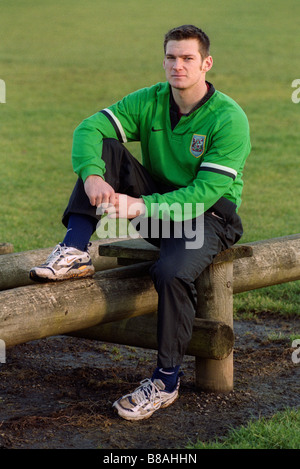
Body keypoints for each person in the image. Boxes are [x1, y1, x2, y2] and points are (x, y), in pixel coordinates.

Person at [30, 25, 251, 421]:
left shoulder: (229, 118)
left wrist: (141, 206)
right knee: (105, 147)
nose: (177, 66)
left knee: (169, 271)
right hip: (157, 207)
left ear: (206, 64)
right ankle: (75, 251)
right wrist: (93, 174)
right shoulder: (151, 99)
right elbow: (89, 127)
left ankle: (165, 381)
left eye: (187, 59)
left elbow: (202, 195)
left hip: (210, 217)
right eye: (171, 57)